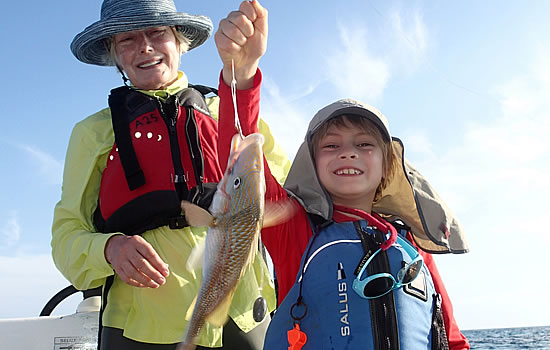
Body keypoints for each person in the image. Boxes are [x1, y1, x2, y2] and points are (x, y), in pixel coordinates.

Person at [214, 2, 471, 349]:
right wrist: (241, 75)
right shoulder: (295, 229)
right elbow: (240, 160)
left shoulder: (412, 246)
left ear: (387, 166)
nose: (348, 152)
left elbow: (450, 336)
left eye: (364, 144)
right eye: (331, 146)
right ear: (312, 164)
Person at [51, 0, 290, 349]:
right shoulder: (92, 133)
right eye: (127, 40)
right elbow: (66, 236)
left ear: (179, 40)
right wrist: (110, 248)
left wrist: (246, 69)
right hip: (140, 329)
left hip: (240, 317)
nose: (144, 47)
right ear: (114, 54)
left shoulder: (230, 110)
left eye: (157, 32)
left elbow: (283, 196)